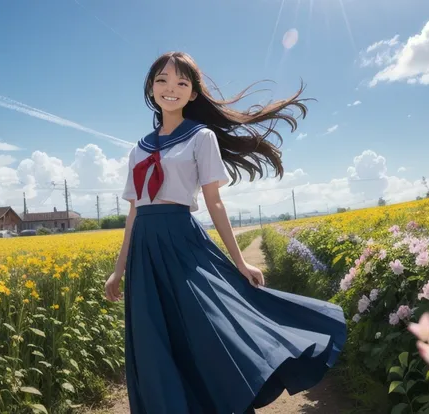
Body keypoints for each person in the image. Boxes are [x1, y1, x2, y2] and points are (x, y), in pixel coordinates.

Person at [104, 51, 347, 414]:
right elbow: (134, 210)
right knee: (153, 340)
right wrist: (119, 269)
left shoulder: (201, 137)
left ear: (192, 94)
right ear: (150, 87)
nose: (171, 89)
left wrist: (240, 263)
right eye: (163, 81)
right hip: (145, 251)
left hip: (181, 242)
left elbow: (214, 203)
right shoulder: (137, 150)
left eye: (181, 83)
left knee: (204, 329)